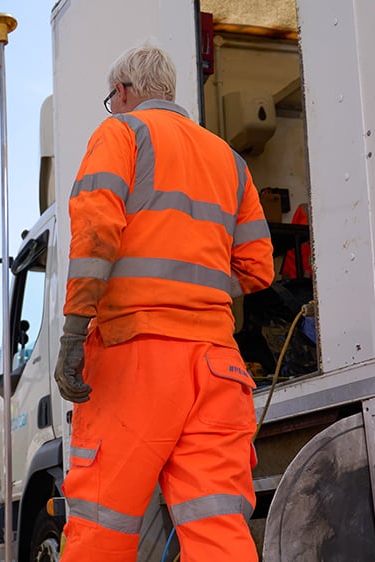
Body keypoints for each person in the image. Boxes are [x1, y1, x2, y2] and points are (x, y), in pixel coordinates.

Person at [54, 43, 274, 561]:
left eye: (113, 99)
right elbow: (257, 267)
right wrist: (195, 292)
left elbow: (95, 236)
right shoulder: (230, 161)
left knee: (102, 523)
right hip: (220, 369)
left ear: (124, 92)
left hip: (137, 360)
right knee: (218, 527)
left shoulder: (121, 133)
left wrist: (72, 332)